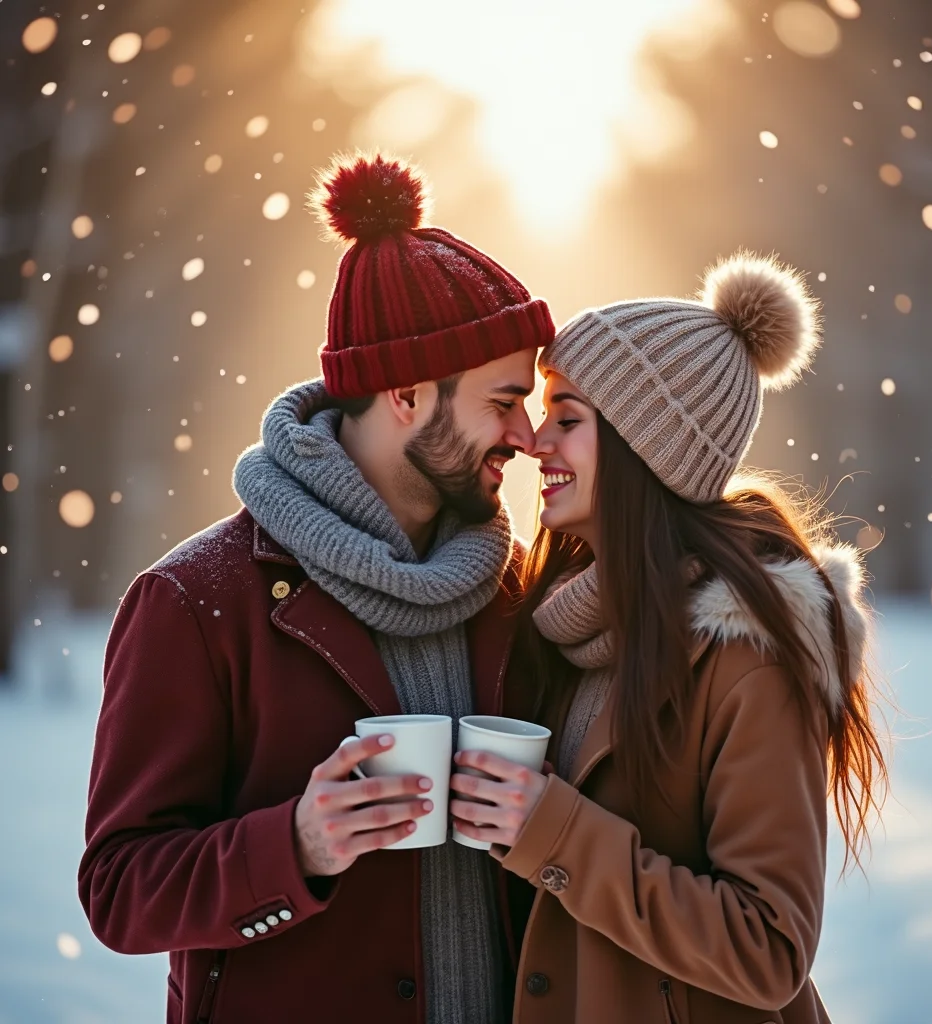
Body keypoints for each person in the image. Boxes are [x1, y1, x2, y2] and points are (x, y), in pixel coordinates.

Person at [78, 153, 554, 1023]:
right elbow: (119, 890)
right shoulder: (195, 601)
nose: (526, 435)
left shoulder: (516, 592)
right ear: (406, 392)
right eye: (503, 401)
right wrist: (294, 845)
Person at [450, 252, 890, 1023]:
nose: (536, 442)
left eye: (568, 419)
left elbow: (768, 951)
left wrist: (551, 830)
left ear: (647, 448)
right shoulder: (566, 627)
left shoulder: (747, 656)